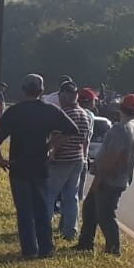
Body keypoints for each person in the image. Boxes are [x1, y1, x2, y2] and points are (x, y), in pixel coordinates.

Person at [0, 74, 80, 260]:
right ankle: (46, 248)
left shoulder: (15, 111)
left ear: (23, 89)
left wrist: (0, 159)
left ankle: (29, 250)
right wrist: (51, 145)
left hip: (18, 166)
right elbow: (72, 130)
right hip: (41, 166)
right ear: (42, 91)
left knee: (24, 211)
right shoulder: (50, 110)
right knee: (41, 209)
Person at [76, 94, 134, 255]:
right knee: (90, 208)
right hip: (120, 178)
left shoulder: (120, 129)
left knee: (105, 215)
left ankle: (113, 249)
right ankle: (85, 242)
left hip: (110, 179)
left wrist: (99, 179)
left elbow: (112, 157)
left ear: (120, 108)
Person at [48, 81, 91, 241]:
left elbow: (57, 137)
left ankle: (44, 227)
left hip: (62, 159)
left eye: (60, 95)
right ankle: (70, 230)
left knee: (50, 194)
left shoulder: (63, 114)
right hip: (78, 158)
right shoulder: (84, 114)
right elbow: (85, 139)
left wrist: (52, 151)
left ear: (65, 96)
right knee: (71, 195)